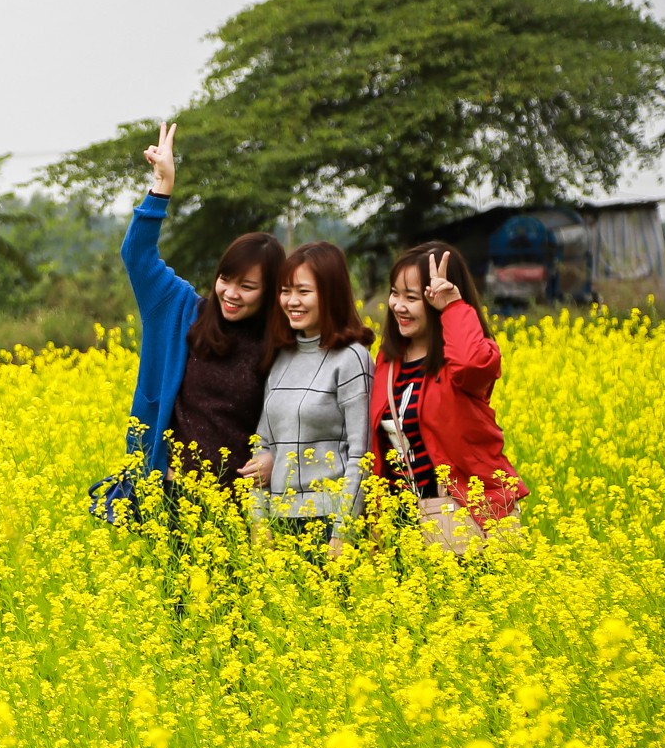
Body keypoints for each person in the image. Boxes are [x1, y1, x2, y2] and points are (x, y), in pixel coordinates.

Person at [96, 120, 285, 520]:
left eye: (247, 287)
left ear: (270, 292)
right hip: (166, 493)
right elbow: (138, 256)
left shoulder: (281, 343)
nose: (231, 293)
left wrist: (277, 460)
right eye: (226, 279)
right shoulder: (181, 310)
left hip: (238, 511)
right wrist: (162, 185)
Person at [370, 243, 527, 547]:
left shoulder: (462, 363)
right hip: (405, 525)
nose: (398, 306)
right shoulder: (388, 363)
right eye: (395, 294)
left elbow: (473, 363)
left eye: (411, 298)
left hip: (471, 520)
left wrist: (453, 306)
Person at [238, 241, 376, 552]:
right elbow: (262, 445)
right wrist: (259, 523)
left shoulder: (351, 358)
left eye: (303, 291)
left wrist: (344, 532)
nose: (291, 301)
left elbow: (361, 455)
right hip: (280, 522)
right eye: (285, 291)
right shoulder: (283, 356)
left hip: (330, 521)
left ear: (330, 293)